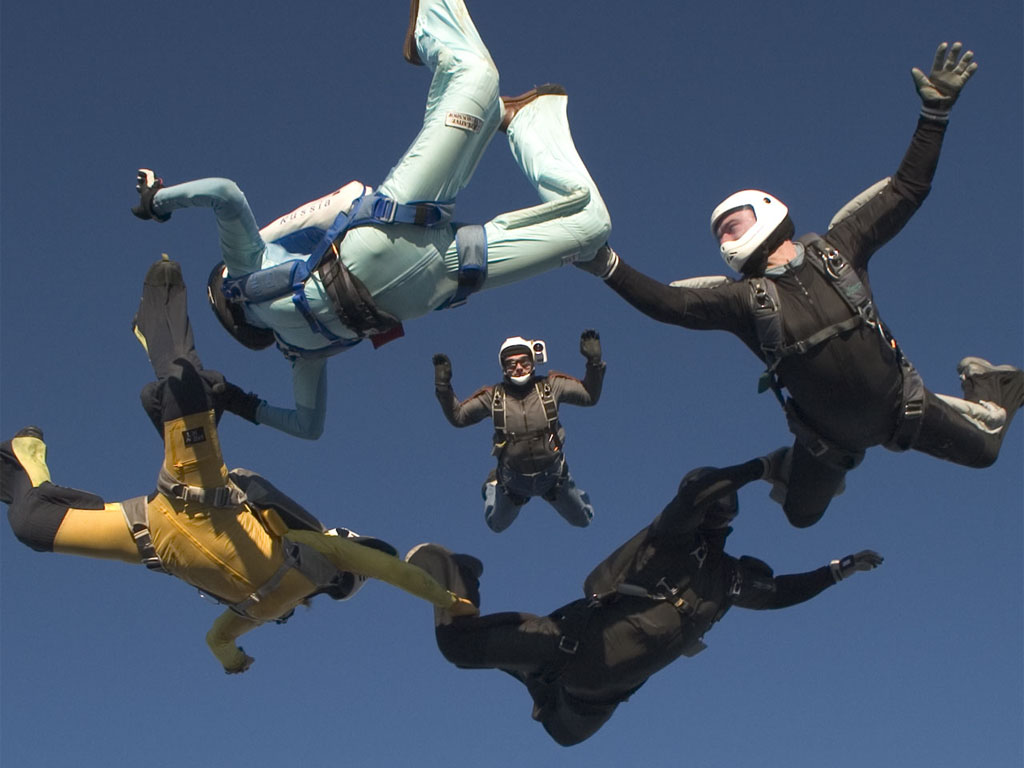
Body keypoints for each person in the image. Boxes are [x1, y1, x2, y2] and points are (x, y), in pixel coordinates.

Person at [578, 41, 1024, 527]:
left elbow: (907, 189)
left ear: (769, 209)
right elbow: (670, 304)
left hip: (903, 406)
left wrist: (934, 112)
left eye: (733, 222)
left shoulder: (841, 247)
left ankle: (991, 385)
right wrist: (607, 265)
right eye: (720, 233)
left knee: (986, 454)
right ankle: (782, 465)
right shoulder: (742, 299)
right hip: (831, 440)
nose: (726, 234)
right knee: (800, 515)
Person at [130, 0, 610, 440]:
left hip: (402, 236)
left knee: (478, 80)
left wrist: (240, 402)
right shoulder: (290, 339)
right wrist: (160, 202)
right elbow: (224, 195)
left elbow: (306, 426)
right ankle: (531, 122)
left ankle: (430, 23)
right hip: (437, 274)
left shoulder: (262, 301)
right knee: (590, 226)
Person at [0, 257, 477, 675]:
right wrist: (446, 600)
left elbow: (218, 639)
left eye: (342, 582)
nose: (340, 577)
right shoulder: (313, 553)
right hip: (201, 501)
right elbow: (393, 571)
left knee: (29, 524)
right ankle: (156, 327)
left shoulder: (266, 606)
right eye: (344, 577)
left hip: (153, 535)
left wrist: (235, 662)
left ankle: (29, 462)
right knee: (182, 381)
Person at [406, 453, 882, 746]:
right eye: (718, 498)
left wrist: (837, 571)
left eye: (726, 502)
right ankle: (462, 572)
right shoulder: (671, 539)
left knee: (561, 737)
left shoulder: (727, 578)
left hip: (599, 696)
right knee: (459, 649)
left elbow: (781, 593)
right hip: (570, 643)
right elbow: (694, 494)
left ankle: (533, 679)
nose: (719, 505)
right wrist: (759, 469)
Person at [433, 330, 604, 532]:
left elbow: (589, 396)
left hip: (553, 478)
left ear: (533, 363)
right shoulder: (494, 397)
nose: (519, 368)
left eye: (524, 362)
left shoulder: (550, 387)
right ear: (504, 369)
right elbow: (459, 417)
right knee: (496, 524)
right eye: (511, 364)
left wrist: (594, 363)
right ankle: (492, 485)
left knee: (583, 519)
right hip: (513, 482)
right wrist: (443, 387)